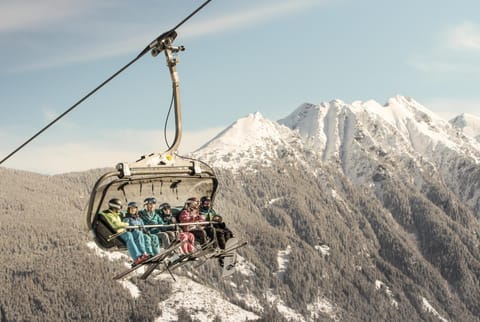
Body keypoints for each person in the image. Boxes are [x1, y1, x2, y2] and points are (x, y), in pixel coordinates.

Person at [99, 198, 149, 266]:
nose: (120, 209)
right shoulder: (109, 215)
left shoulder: (114, 213)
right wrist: (127, 224)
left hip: (122, 231)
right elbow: (116, 225)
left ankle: (143, 254)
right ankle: (137, 258)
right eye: (119, 207)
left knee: (138, 233)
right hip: (116, 233)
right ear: (115, 206)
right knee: (129, 235)